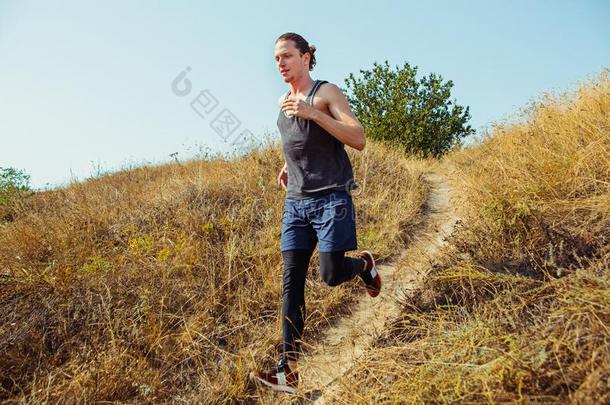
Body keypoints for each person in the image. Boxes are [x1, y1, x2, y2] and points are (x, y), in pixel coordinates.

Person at [249, 32, 381, 394]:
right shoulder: (282, 101)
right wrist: (287, 165)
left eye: (287, 56)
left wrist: (313, 113)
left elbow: (358, 137)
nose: (280, 63)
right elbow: (296, 140)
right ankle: (287, 370)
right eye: (276, 58)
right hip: (295, 203)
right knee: (290, 283)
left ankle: (363, 266)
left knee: (331, 274)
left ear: (306, 57)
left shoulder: (326, 93)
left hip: (331, 199)